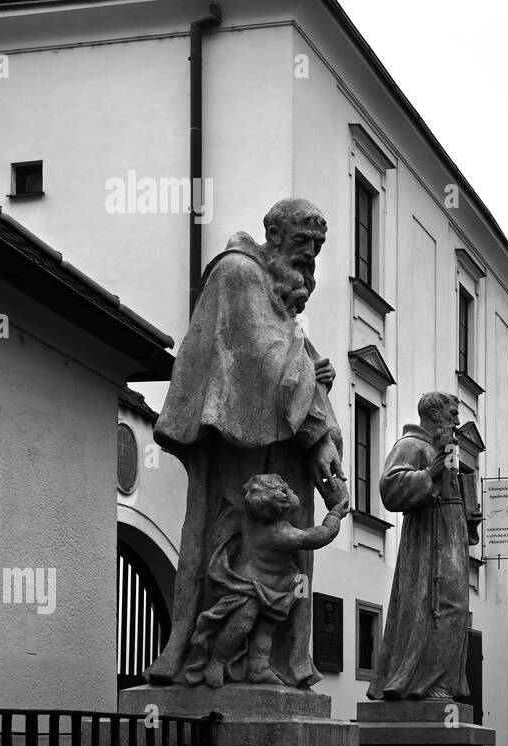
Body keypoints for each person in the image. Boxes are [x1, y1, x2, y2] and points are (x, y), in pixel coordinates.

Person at [147, 198, 345, 688]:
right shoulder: (238, 273)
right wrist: (315, 408)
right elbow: (264, 360)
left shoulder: (275, 294)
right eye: (303, 243)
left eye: (318, 248)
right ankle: (213, 660)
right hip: (243, 454)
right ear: (274, 236)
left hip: (283, 450)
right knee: (237, 558)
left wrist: (315, 374)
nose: (310, 256)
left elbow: (286, 355)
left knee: (282, 571)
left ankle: (273, 662)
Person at [185, 473, 349, 687]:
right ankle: (216, 661)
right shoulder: (282, 532)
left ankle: (258, 667)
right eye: (288, 490)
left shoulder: (250, 520)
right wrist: (335, 514)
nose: (292, 492)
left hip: (276, 587)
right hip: (248, 587)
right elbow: (321, 535)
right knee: (242, 625)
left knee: (265, 628)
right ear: (282, 502)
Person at [367, 392, 479, 702]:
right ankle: (423, 683)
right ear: (432, 416)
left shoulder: (446, 452)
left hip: (451, 535)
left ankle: (440, 680)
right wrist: (431, 472)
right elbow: (390, 489)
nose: (457, 421)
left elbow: (450, 493)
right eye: (452, 413)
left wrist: (469, 518)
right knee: (433, 605)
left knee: (455, 607)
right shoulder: (411, 446)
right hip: (427, 539)